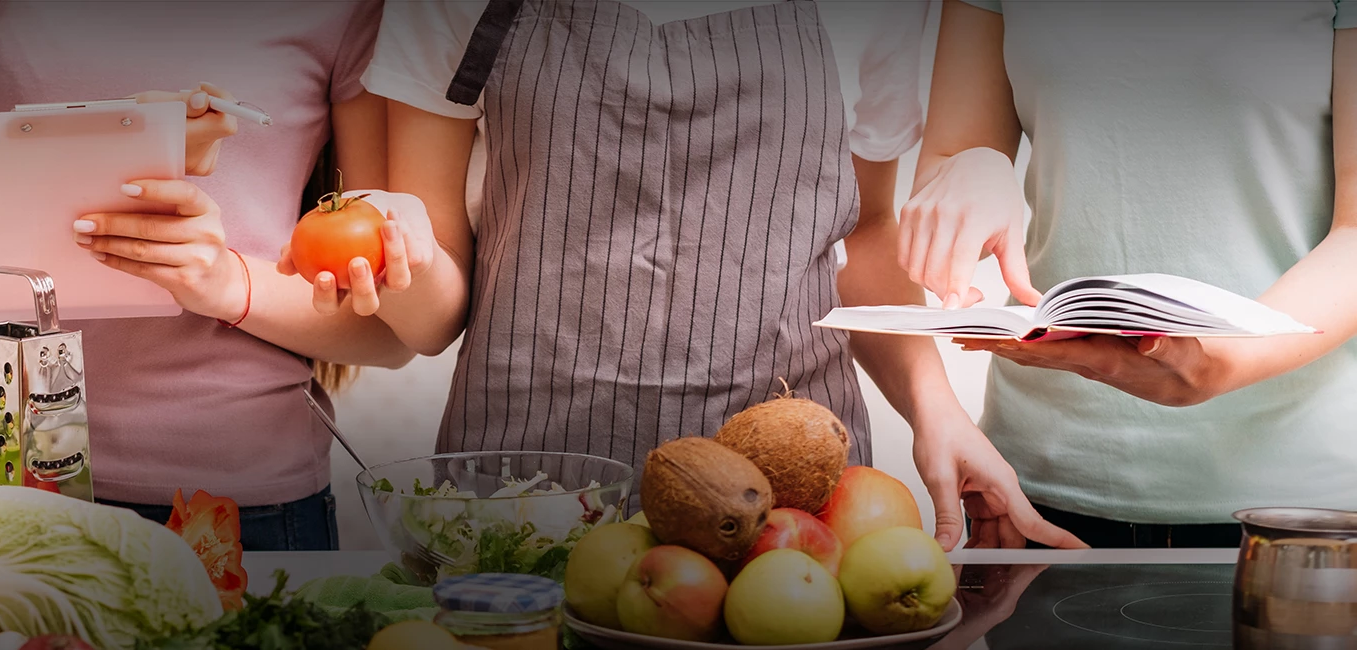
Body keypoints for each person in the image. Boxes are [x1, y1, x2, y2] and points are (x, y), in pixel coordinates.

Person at [318, 0, 1082, 550]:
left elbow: (868, 234)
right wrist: (394, 258)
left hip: (787, 507)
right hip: (528, 489)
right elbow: (430, 320)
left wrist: (935, 409)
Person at [0, 0, 421, 550]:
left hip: (242, 503)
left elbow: (389, 328)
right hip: (9, 473)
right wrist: (122, 152)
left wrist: (226, 282)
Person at [901, 0, 1357, 547]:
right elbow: (946, 163)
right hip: (1035, 487)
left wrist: (1215, 368)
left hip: (1297, 506)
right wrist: (978, 166)